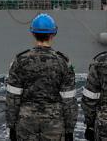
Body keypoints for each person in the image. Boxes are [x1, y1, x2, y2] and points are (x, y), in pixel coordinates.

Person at [6, 13, 76, 141]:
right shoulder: (63, 62)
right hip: (54, 124)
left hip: (26, 122)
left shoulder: (20, 60)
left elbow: (13, 98)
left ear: (33, 33)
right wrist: (69, 130)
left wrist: (11, 126)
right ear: (53, 34)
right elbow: (69, 100)